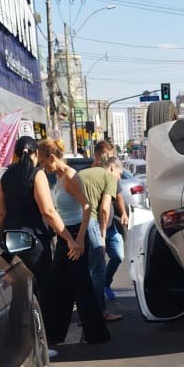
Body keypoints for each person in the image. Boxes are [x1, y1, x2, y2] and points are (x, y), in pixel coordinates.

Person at [0, 136, 81, 355]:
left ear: (15, 153)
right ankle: (42, 346)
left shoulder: (5, 177)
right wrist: (68, 237)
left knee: (17, 295)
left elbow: (0, 213)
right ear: (34, 154)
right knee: (41, 292)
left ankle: (20, 345)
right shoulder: (37, 174)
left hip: (10, 241)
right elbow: (48, 211)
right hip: (33, 243)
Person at [37, 138, 110, 344]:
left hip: (75, 233)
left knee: (80, 285)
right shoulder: (59, 176)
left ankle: (95, 334)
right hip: (65, 236)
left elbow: (87, 207)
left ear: (52, 158)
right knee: (61, 284)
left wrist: (78, 240)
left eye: (44, 162)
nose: (43, 167)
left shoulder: (70, 176)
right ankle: (56, 333)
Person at [77, 155, 123, 321]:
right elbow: (104, 209)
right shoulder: (109, 177)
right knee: (98, 268)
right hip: (92, 222)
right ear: (112, 168)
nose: (119, 178)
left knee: (86, 268)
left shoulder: (84, 173)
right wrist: (102, 235)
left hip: (75, 222)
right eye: (120, 173)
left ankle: (87, 309)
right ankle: (100, 311)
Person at [92, 141, 127, 301]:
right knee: (97, 265)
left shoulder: (112, 175)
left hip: (111, 226)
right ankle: (96, 298)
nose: (110, 158)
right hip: (95, 227)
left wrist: (124, 213)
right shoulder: (89, 174)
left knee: (118, 255)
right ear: (98, 155)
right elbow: (102, 207)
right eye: (107, 155)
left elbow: (118, 196)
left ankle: (105, 283)